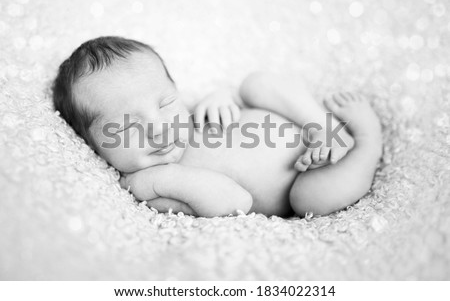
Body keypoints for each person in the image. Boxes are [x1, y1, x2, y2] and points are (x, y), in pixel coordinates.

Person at [53, 36, 382, 218]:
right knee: (312, 199)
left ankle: (327, 128)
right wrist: (164, 177)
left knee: (256, 84)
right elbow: (234, 202)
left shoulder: (191, 116)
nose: (159, 128)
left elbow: (222, 105)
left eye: (166, 104)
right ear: (92, 145)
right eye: (128, 127)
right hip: (310, 173)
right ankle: (367, 140)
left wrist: (219, 98)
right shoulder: (150, 186)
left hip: (305, 123)